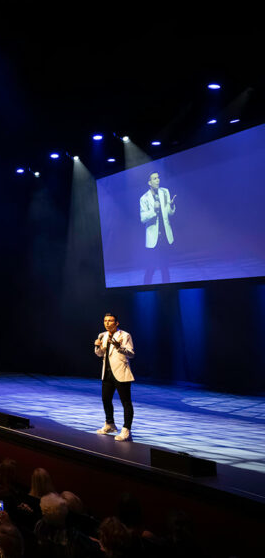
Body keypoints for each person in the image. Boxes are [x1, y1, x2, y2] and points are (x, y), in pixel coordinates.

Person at [94, 313, 135, 441]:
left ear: (116, 323)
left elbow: (131, 354)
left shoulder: (124, 335)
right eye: (105, 320)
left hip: (121, 373)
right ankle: (110, 424)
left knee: (126, 403)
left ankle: (126, 429)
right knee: (106, 400)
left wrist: (119, 347)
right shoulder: (102, 335)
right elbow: (100, 354)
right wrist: (97, 346)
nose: (107, 323)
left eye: (110, 321)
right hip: (107, 373)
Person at [139, 171, 177, 284]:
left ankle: (167, 292)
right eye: (155, 178)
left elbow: (169, 213)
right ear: (149, 182)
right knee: (150, 269)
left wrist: (171, 206)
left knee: (165, 268)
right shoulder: (144, 198)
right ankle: (146, 290)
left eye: (158, 178)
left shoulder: (165, 192)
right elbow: (142, 218)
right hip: (153, 239)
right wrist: (154, 210)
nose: (158, 180)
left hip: (165, 237)